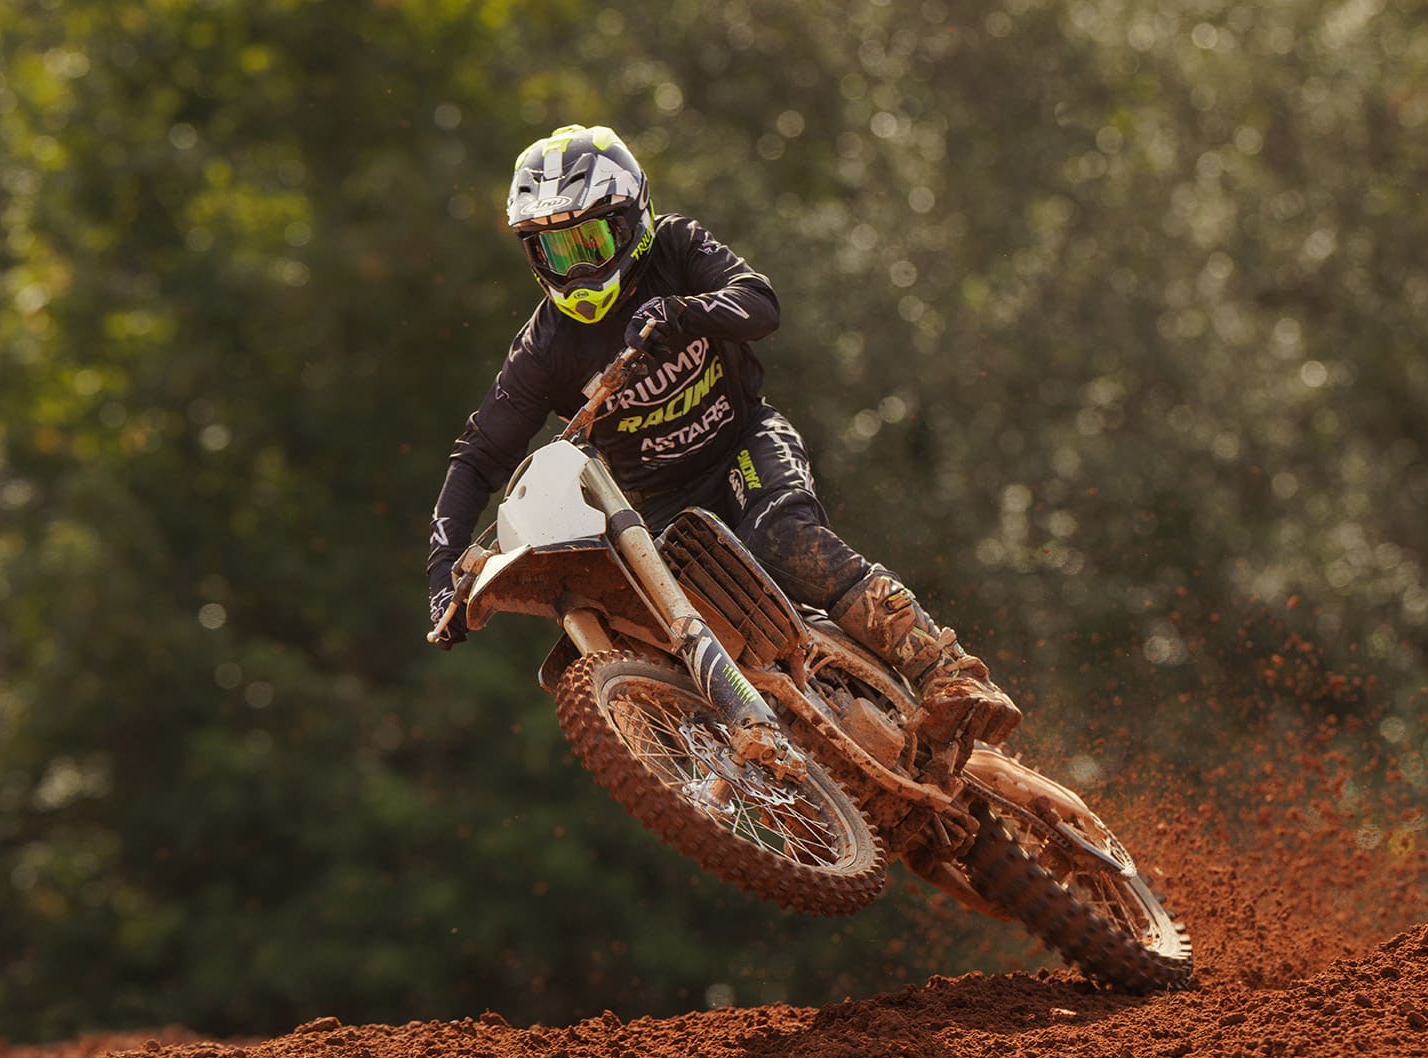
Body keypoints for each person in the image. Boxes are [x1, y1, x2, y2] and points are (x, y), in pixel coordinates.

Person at [426, 124, 1020, 777]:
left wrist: (684, 312)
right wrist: (443, 573)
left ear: (628, 222)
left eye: (587, 242)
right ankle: (749, 770)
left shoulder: (676, 248)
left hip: (743, 444)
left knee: (783, 533)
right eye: (552, 252)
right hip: (659, 511)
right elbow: (479, 456)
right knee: (642, 624)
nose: (575, 268)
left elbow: (760, 305)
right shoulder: (544, 349)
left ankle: (946, 672)